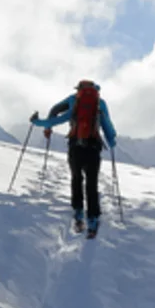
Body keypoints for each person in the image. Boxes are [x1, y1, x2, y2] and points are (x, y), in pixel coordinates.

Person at [30, 80, 116, 236]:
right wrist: (112, 140)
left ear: (79, 90)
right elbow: (107, 124)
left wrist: (40, 123)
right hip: (93, 148)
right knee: (92, 182)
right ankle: (93, 218)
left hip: (75, 146)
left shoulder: (73, 100)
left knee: (76, 178)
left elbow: (55, 113)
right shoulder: (100, 103)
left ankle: (78, 211)